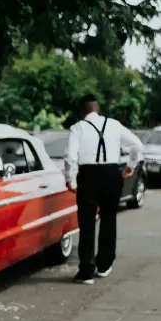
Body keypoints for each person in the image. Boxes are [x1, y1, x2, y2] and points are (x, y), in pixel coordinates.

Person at [63, 94, 144, 285]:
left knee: (87, 222)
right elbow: (137, 145)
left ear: (82, 111)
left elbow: (70, 157)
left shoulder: (78, 128)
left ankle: (86, 271)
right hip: (111, 174)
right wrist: (130, 166)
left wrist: (71, 180)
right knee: (109, 219)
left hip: (88, 176)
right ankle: (105, 265)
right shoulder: (115, 125)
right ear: (97, 109)